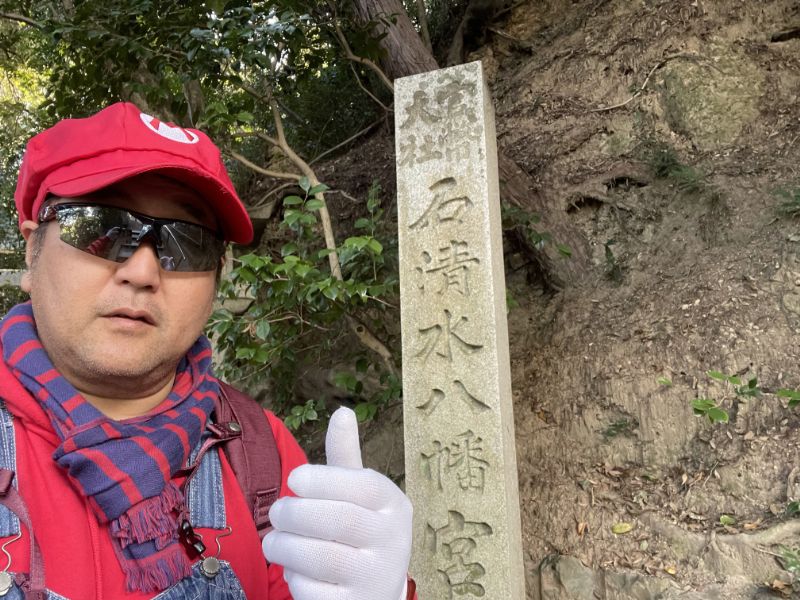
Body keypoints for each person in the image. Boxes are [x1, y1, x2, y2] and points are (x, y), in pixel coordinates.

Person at [0, 102, 415, 599]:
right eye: (100, 228)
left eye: (187, 243)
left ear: (217, 279)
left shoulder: (260, 453)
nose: (142, 272)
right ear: (32, 250)